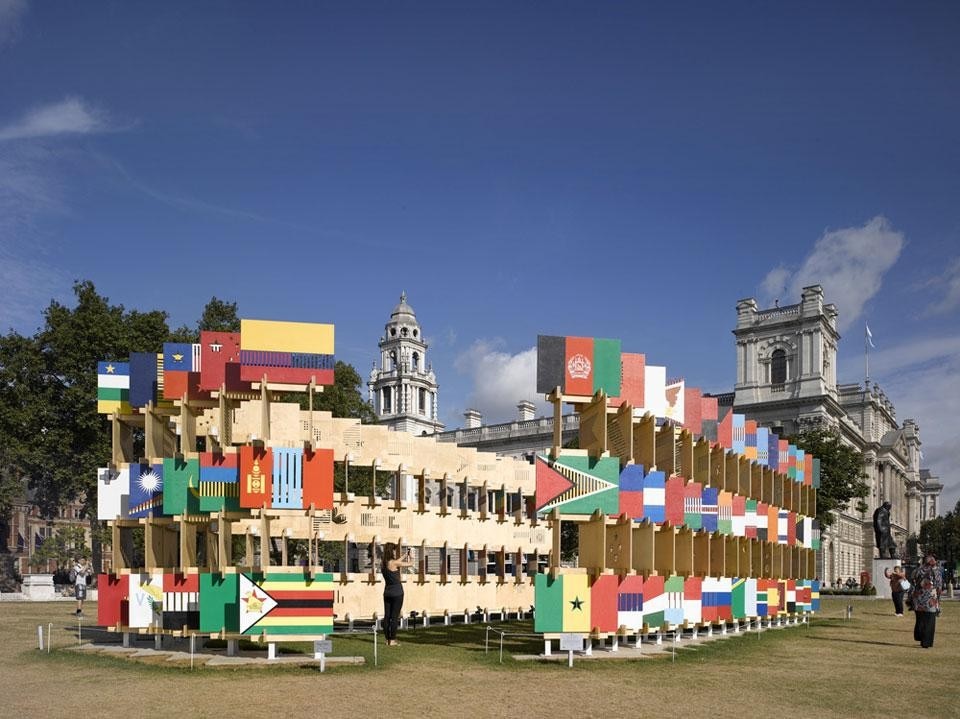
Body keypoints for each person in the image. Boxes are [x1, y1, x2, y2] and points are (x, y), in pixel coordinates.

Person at [381, 542, 414, 646]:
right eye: (394, 550)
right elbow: (411, 564)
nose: (395, 552)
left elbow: (395, 562)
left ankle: (387, 640)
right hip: (397, 592)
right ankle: (393, 640)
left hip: (387, 592)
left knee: (387, 616)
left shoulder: (384, 563)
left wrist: (404, 555)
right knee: (394, 617)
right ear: (392, 551)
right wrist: (411, 557)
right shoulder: (394, 563)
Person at [909, 553, 944, 649]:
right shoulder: (936, 572)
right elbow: (939, 587)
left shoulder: (916, 570)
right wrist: (938, 600)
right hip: (930, 599)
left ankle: (919, 635)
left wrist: (911, 597)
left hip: (918, 597)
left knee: (920, 619)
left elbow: (911, 584)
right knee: (929, 621)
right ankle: (926, 642)